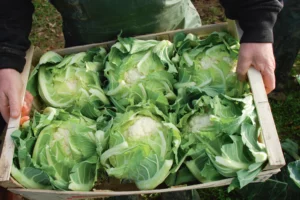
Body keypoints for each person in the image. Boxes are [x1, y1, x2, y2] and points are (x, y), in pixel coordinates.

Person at [0, 0, 283, 199]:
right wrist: (8, 57)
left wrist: (258, 20)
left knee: (182, 185)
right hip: (90, 35)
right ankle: (122, 190)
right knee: (122, 186)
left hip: (173, 24)